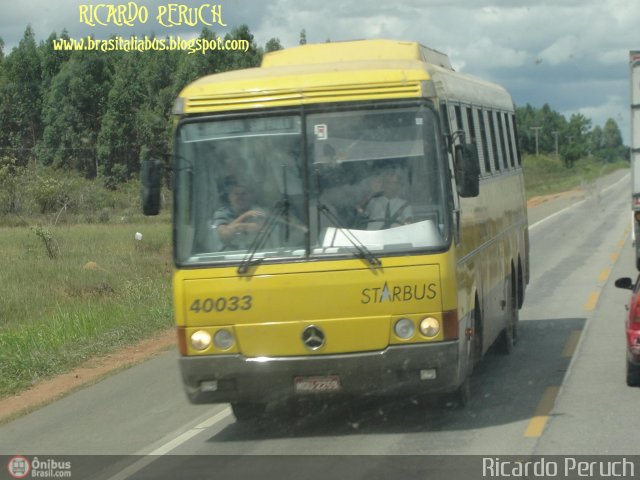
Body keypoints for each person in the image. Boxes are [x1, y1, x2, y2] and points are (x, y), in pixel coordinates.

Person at [212, 181, 266, 249]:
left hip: (254, 253)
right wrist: (245, 216)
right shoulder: (222, 213)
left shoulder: (257, 211)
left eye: (244, 194)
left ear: (251, 196)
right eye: (236, 194)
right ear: (230, 197)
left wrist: (234, 227)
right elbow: (224, 235)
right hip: (228, 256)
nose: (240, 197)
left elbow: (261, 230)